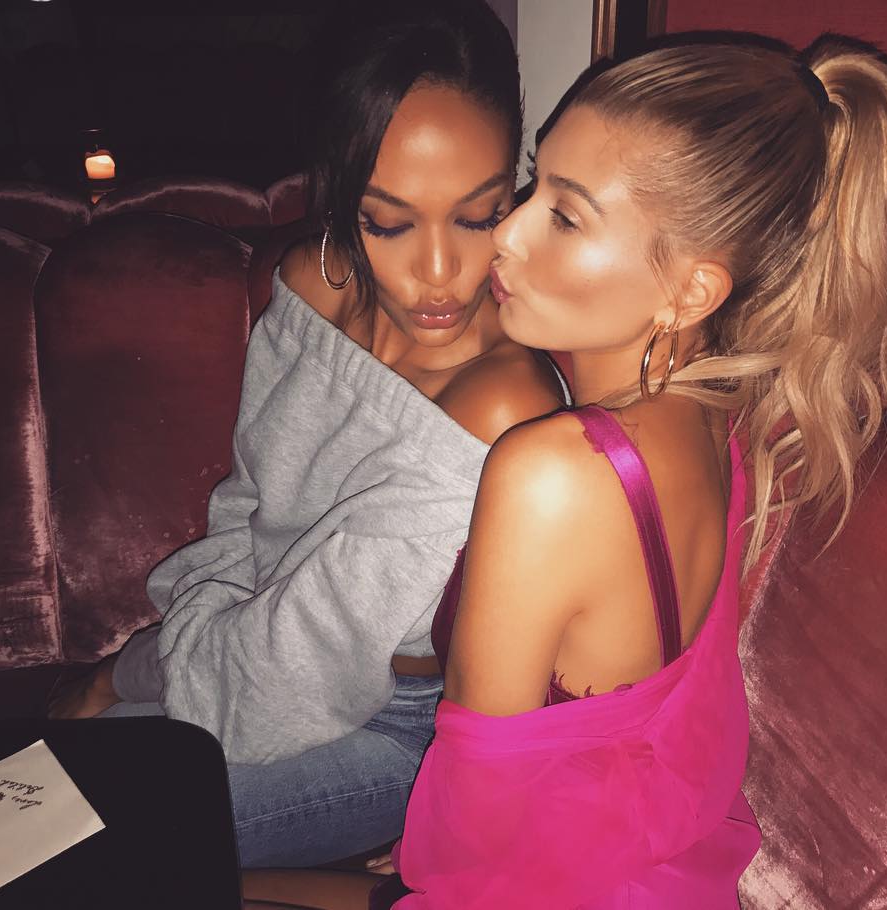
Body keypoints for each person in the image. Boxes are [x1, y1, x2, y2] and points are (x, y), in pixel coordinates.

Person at [241, 30, 887, 910]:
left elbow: (474, 824)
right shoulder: (719, 417)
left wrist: (422, 847)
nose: (506, 233)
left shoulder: (553, 474)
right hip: (629, 864)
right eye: (533, 186)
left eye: (564, 216)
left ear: (691, 291)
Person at [48, 0, 568, 867]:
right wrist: (183, 646)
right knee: (28, 800)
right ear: (338, 192)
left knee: (71, 835)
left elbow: (305, 664)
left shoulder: (501, 404)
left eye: (479, 215)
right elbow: (246, 507)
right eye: (387, 221)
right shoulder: (306, 285)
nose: (440, 274)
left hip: (393, 729)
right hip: (237, 648)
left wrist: (117, 675)